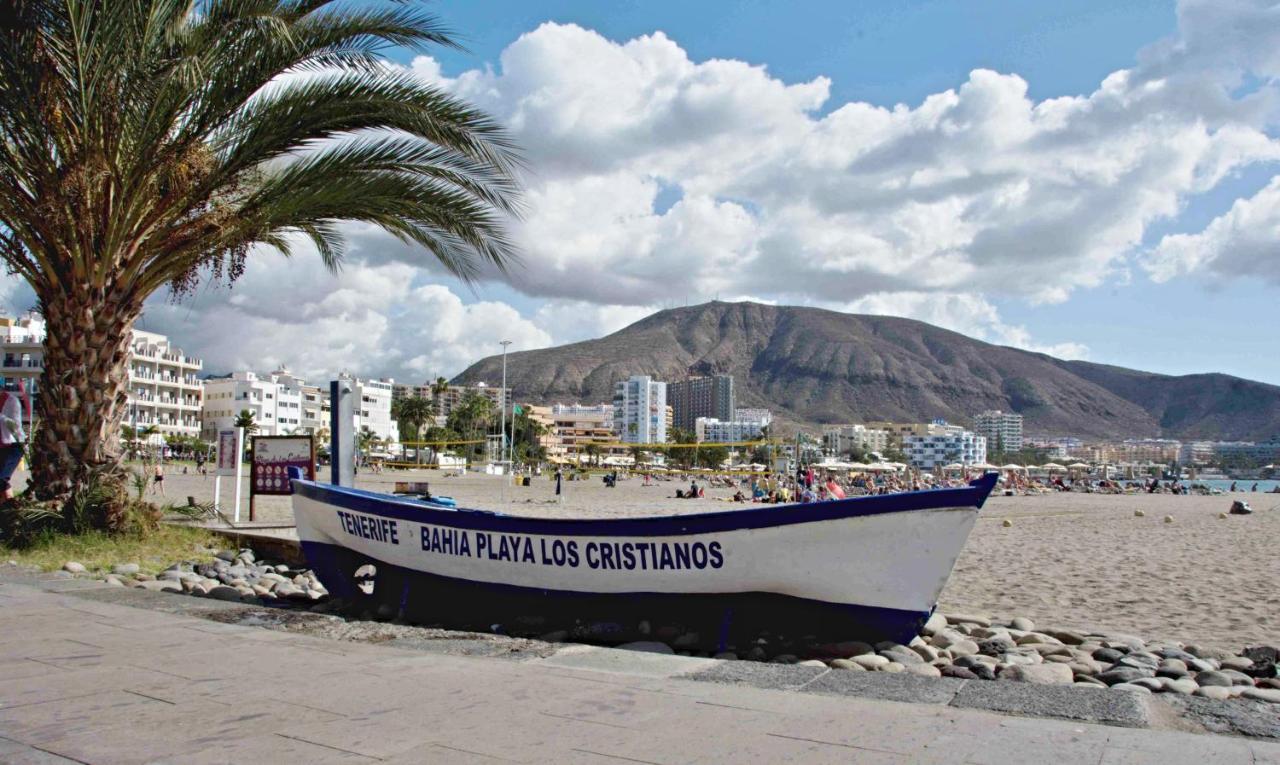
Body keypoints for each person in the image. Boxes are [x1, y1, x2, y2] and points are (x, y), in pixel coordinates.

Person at [0, 388, 25, 500]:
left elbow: (16, 428)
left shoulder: (12, 401)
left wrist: (1, 417)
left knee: (1, 479)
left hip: (13, 446)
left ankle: (11, 510)